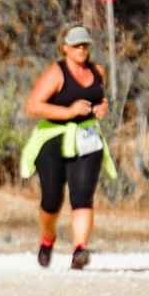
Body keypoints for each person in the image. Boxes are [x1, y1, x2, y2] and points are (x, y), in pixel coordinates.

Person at [19, 25, 116, 269]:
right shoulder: (56, 73)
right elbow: (32, 106)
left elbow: (101, 98)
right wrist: (69, 111)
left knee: (82, 195)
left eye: (85, 45)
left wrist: (102, 107)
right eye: (76, 45)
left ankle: (80, 249)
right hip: (54, 138)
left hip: (87, 138)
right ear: (65, 48)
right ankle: (47, 237)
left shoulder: (98, 71)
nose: (82, 49)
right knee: (51, 198)